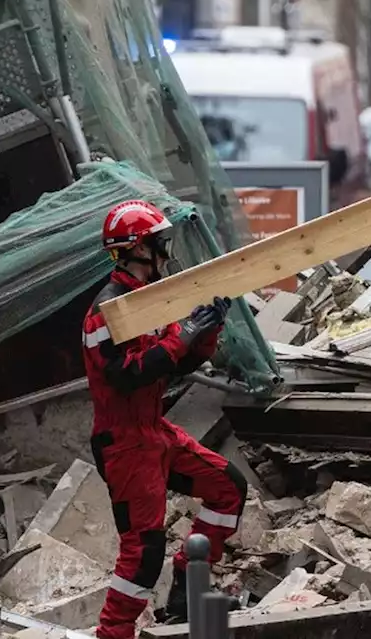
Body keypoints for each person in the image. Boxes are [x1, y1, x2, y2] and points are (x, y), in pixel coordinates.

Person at [82, 200, 248, 639]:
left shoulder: (147, 302)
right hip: (124, 442)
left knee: (228, 488)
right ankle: (114, 632)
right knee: (142, 549)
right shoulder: (107, 312)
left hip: (153, 432)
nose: (165, 252)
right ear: (136, 249)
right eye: (158, 243)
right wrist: (183, 338)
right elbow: (127, 373)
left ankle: (184, 597)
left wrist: (206, 328)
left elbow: (178, 361)